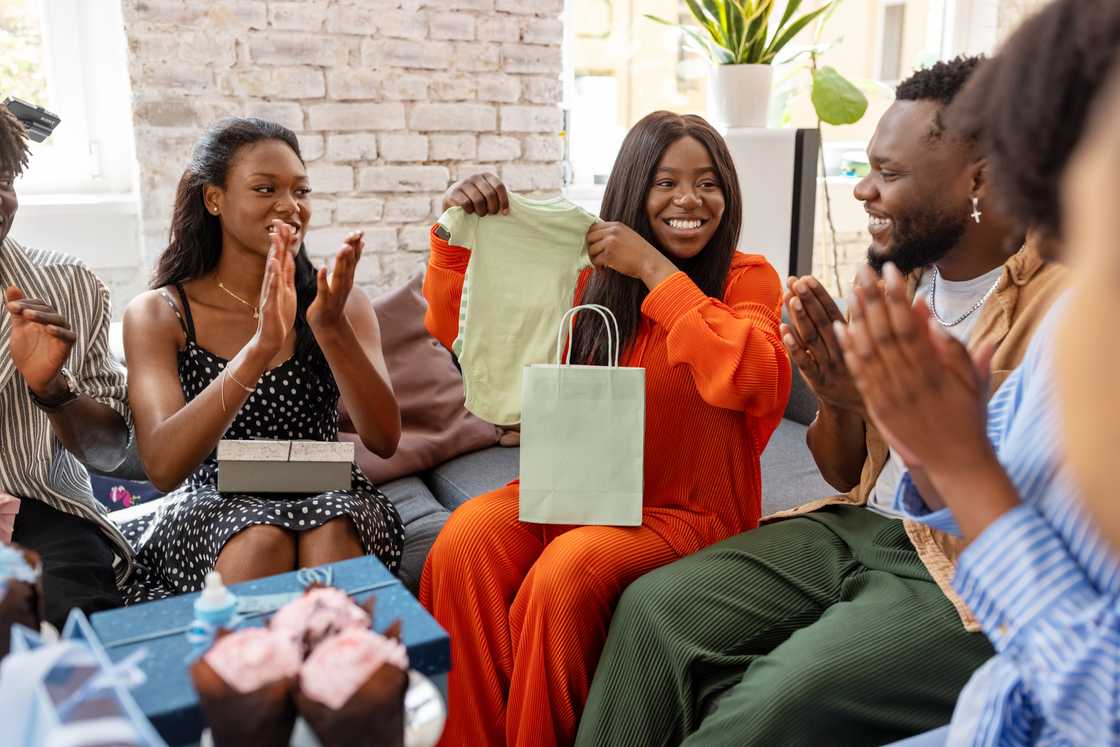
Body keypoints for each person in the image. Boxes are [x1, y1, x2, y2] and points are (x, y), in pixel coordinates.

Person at [576, 58, 1066, 747]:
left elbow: (1052, 518)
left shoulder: (1063, 303)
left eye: (888, 174)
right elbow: (843, 471)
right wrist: (839, 398)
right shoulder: (898, 279)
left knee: (778, 701)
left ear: (979, 179)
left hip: (969, 578)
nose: (864, 190)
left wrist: (921, 422)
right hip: (859, 525)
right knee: (653, 607)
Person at [420, 111, 791, 745]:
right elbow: (466, 325)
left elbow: (755, 374)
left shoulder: (745, 277)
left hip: (688, 512)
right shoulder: (587, 276)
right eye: (665, 182)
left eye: (708, 183)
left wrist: (655, 272)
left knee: (567, 571)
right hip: (577, 486)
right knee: (466, 538)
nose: (688, 200)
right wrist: (453, 234)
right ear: (630, 191)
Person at [839, 2, 1120, 745]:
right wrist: (925, 436)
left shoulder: (1071, 302)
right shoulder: (1073, 307)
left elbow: (1105, 703)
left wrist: (962, 466)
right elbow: (950, 470)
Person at [119, 118, 404, 601]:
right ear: (214, 199)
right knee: (259, 539)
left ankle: (337, 672)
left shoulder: (338, 303)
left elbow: (383, 439)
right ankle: (255, 672)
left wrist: (330, 328)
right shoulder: (160, 313)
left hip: (329, 487)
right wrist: (259, 350)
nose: (290, 206)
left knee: (331, 529)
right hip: (216, 497)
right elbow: (164, 467)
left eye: (301, 190)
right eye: (264, 188)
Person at [0, 105, 131, 626]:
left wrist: (53, 390)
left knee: (66, 624)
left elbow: (113, 451)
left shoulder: (67, 287)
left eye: (4, 178)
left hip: (41, 508)